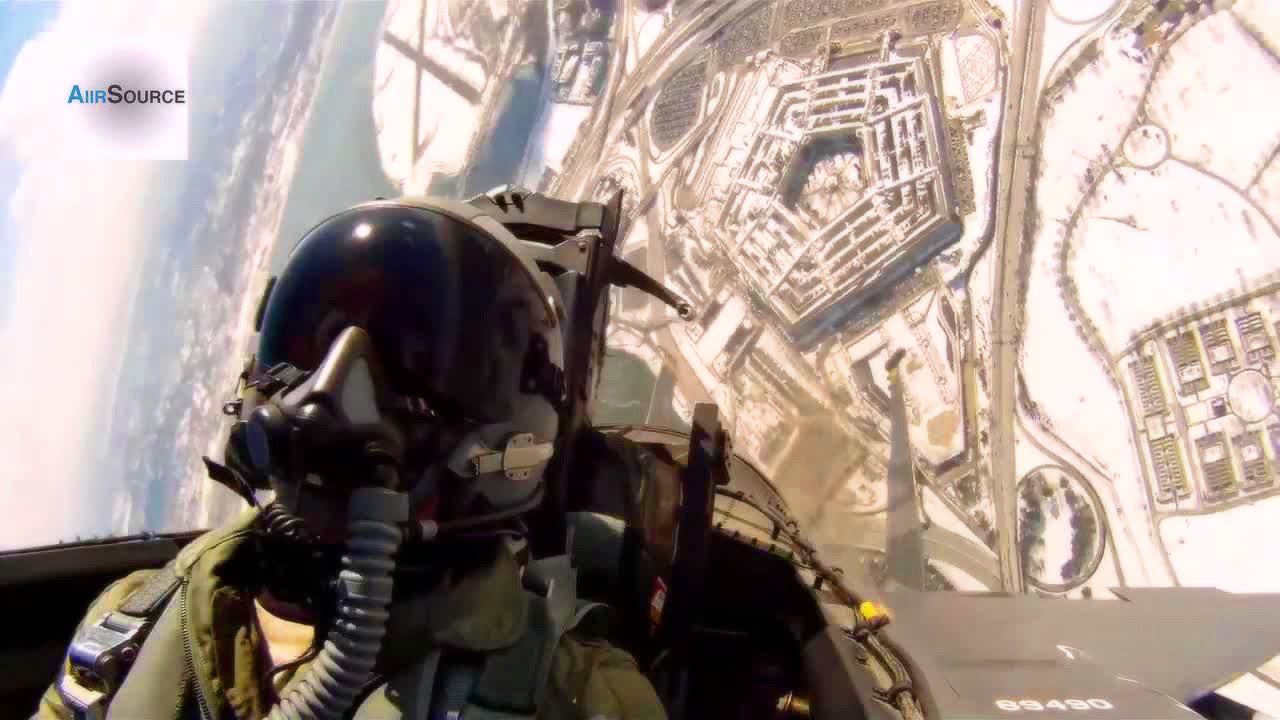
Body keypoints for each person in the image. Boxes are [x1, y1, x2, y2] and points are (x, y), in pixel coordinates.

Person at [36, 197, 669, 720]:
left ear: (509, 452)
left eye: (413, 377)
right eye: (307, 348)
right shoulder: (129, 625)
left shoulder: (582, 701)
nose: (323, 397)